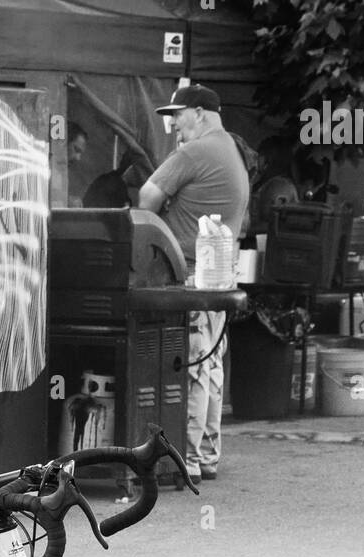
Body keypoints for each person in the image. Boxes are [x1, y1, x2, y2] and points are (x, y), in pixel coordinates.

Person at [139, 84, 249, 482]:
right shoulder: (232, 149)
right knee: (211, 365)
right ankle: (207, 454)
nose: (172, 126)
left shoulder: (195, 151)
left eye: (177, 116)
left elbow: (146, 198)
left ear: (199, 113)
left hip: (189, 275)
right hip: (218, 275)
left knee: (193, 367)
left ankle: (187, 458)